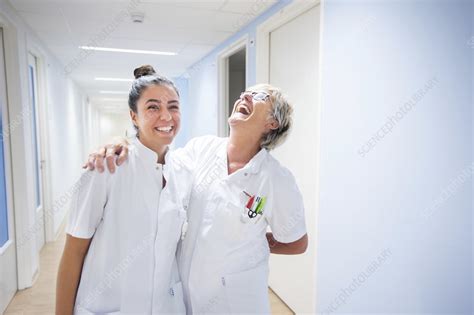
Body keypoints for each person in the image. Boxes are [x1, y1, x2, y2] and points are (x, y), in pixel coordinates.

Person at [85, 83, 308, 314]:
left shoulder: (276, 178)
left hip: (238, 301)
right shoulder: (201, 149)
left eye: (258, 96)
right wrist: (123, 143)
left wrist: (253, 243)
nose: (245, 97)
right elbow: (159, 161)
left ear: (273, 122)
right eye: (244, 93)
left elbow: (297, 242)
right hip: (186, 295)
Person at [56, 65, 191, 314]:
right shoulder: (105, 168)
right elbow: (73, 253)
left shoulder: (184, 171)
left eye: (173, 106)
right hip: (107, 305)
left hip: (165, 305)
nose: (166, 116)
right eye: (153, 107)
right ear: (134, 116)